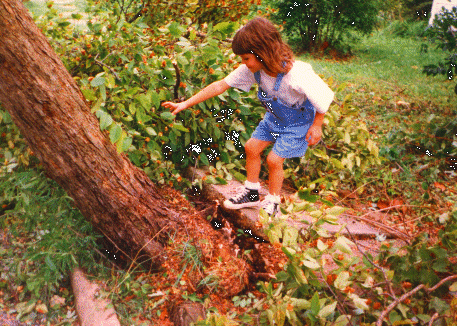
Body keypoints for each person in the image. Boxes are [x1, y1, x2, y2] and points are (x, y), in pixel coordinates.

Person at [162, 17, 334, 218]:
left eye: (246, 58)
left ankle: (273, 202)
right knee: (251, 147)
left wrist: (317, 125)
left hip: (299, 122)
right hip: (275, 118)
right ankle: (251, 193)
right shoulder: (254, 70)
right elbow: (220, 85)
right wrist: (185, 103)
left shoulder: (297, 74)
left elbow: (323, 97)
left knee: (274, 159)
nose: (243, 63)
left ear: (263, 52)